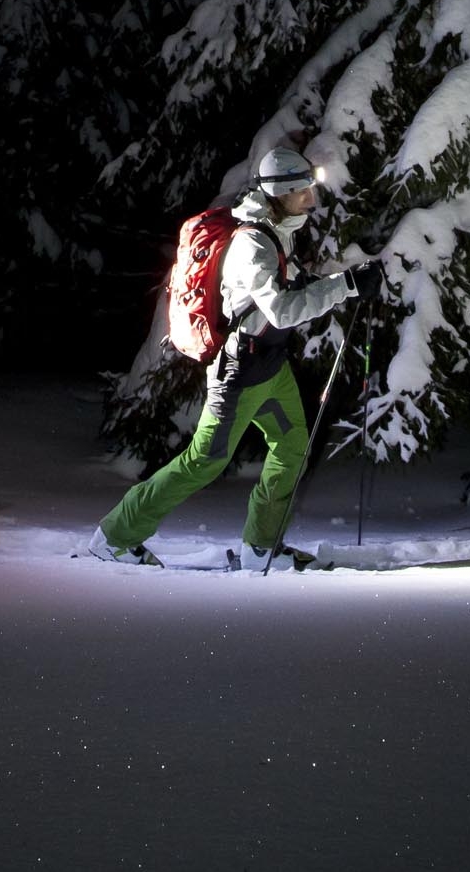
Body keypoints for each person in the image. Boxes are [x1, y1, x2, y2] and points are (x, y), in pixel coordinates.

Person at [85, 145, 375, 567]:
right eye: (303, 193)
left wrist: (343, 280)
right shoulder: (251, 243)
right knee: (202, 462)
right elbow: (282, 309)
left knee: (292, 449)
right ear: (281, 194)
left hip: (271, 367)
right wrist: (344, 287)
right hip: (238, 374)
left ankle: (260, 550)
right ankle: (113, 537)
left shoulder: (277, 230)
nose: (311, 201)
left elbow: (290, 283)